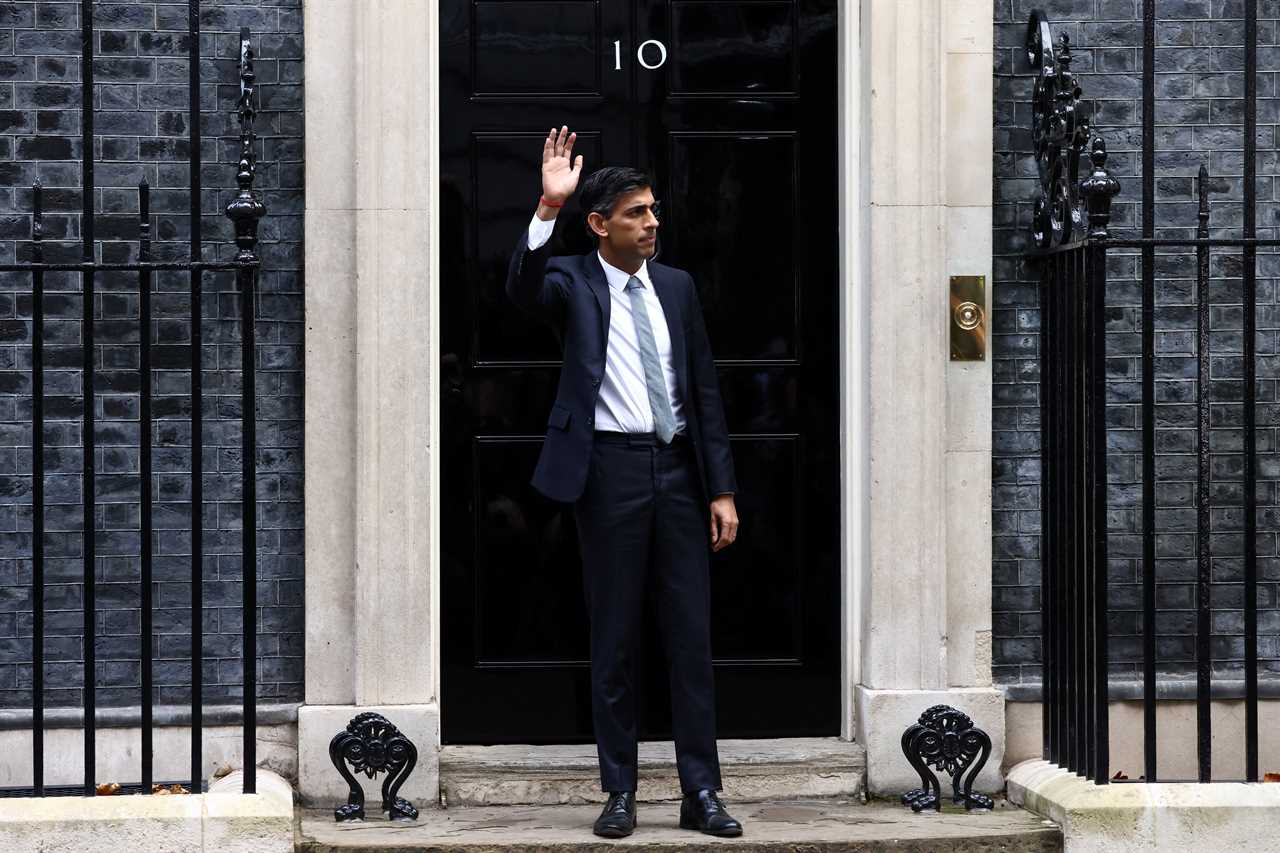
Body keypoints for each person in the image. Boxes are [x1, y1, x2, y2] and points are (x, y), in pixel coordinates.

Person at [505, 126, 743, 839]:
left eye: (654, 210)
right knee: (614, 640)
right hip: (606, 474)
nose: (652, 223)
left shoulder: (677, 287)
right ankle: (618, 790)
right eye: (637, 213)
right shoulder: (570, 280)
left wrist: (721, 488)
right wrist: (547, 206)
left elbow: (702, 390)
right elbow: (518, 288)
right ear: (600, 223)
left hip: (676, 472)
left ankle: (701, 791)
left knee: (690, 640)